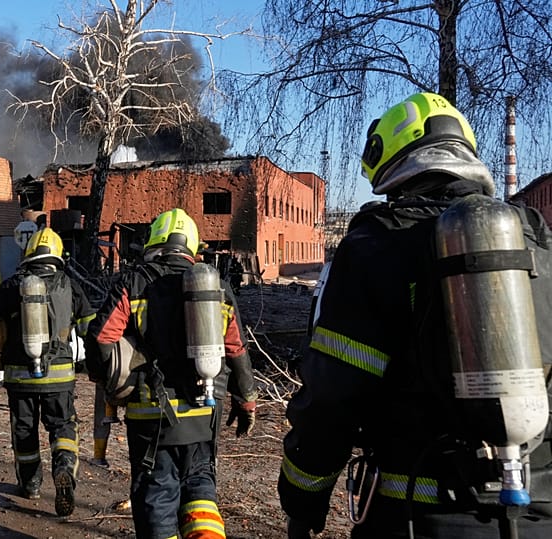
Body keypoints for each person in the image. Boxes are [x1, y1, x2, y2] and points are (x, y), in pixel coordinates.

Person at [278, 93, 552, 538]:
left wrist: (303, 501)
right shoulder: (537, 241)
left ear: (392, 160)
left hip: (420, 515)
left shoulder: (379, 245)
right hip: (537, 511)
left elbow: (333, 398)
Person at [86, 208, 258, 539]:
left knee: (156, 497)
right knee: (200, 488)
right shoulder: (216, 287)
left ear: (154, 242)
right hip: (204, 412)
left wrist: (107, 381)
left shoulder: (133, 283)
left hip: (153, 418)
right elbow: (236, 348)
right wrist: (246, 400)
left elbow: (101, 339)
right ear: (193, 248)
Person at [0, 227, 95, 517]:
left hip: (20, 376)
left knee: (25, 431)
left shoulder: (13, 285)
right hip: (61, 375)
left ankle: (31, 484)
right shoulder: (69, 284)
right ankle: (64, 468)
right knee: (62, 426)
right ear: (57, 255)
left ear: (29, 255)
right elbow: (92, 327)